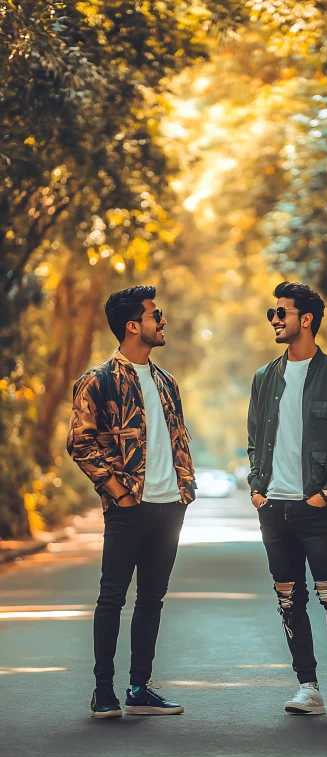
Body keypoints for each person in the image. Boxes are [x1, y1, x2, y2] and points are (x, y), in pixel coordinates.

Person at [67, 285, 196, 719]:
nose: (163, 321)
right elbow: (80, 443)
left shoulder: (166, 383)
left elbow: (177, 439)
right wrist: (119, 493)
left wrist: (184, 491)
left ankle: (140, 688)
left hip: (168, 507)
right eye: (155, 314)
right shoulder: (98, 381)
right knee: (112, 599)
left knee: (152, 600)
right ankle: (103, 691)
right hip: (128, 509)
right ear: (133, 325)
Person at [247, 281, 327, 715]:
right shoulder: (265, 378)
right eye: (273, 313)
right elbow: (254, 440)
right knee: (287, 598)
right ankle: (308, 686)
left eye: (281, 312)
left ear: (306, 319)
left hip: (315, 509)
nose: (275, 320)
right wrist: (257, 489)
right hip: (273, 509)